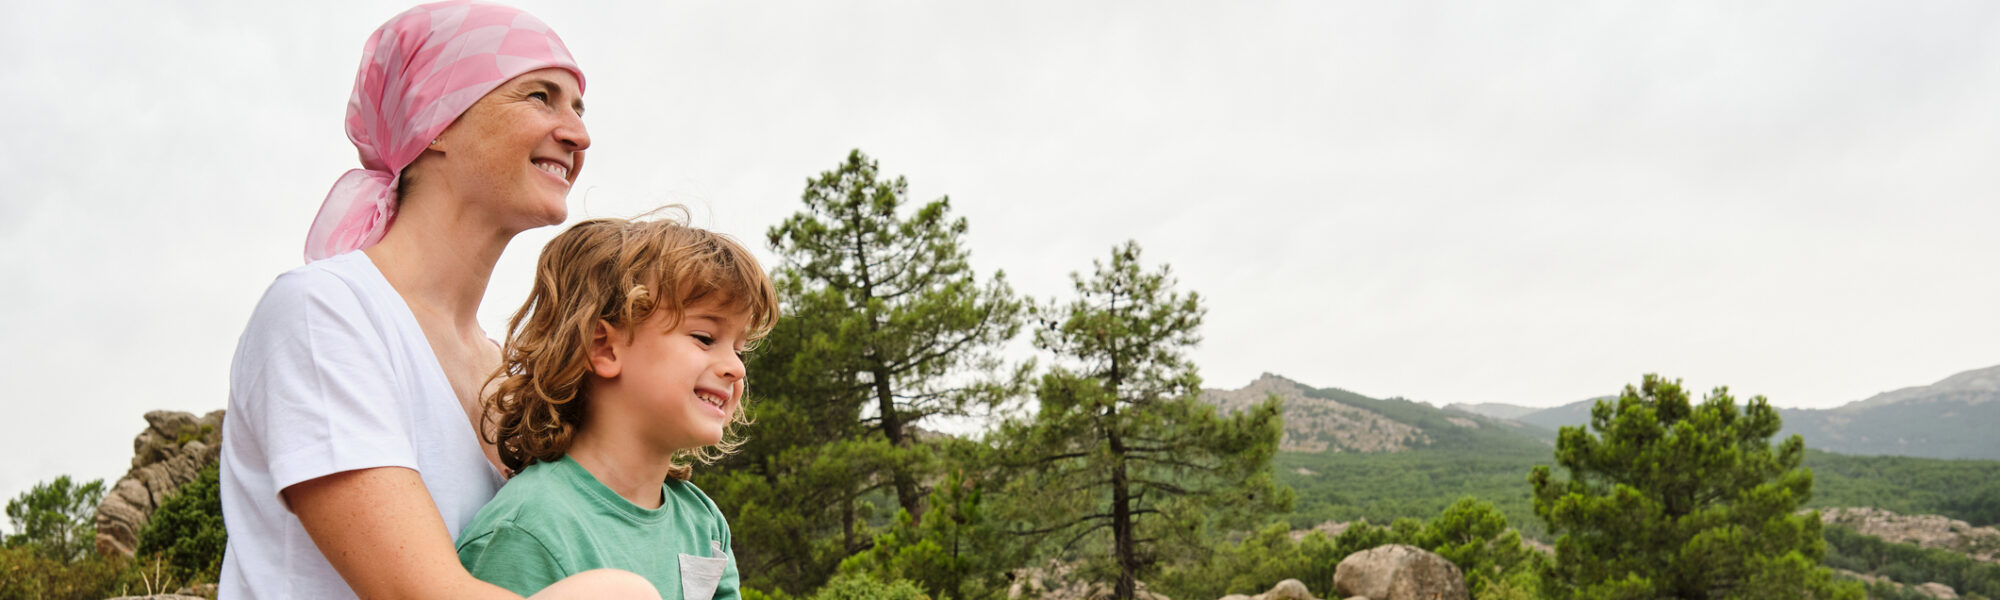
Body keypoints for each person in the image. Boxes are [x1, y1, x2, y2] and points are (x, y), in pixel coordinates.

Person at [220, 2, 656, 597]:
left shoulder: (507, 370)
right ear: (439, 121)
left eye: (578, 107)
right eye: (539, 97)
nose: (578, 134)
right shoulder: (322, 313)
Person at [455, 212, 778, 599]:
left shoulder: (702, 522)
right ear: (603, 347)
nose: (735, 368)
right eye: (705, 338)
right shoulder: (528, 528)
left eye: (740, 349)